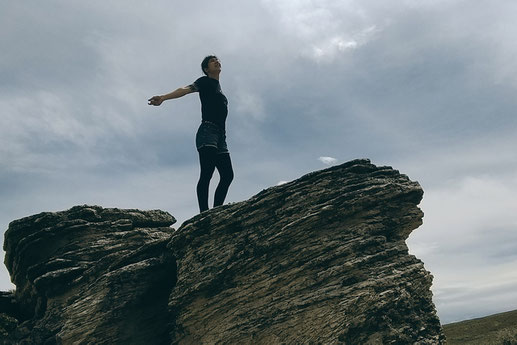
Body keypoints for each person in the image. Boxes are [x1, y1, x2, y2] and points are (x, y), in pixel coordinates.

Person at [148, 55, 234, 213]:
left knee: (227, 175)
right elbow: (185, 90)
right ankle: (204, 214)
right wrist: (163, 98)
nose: (217, 61)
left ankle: (216, 211)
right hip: (208, 132)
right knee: (207, 173)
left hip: (221, 136)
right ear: (206, 69)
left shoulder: (219, 88)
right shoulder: (204, 81)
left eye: (217, 59)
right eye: (212, 61)